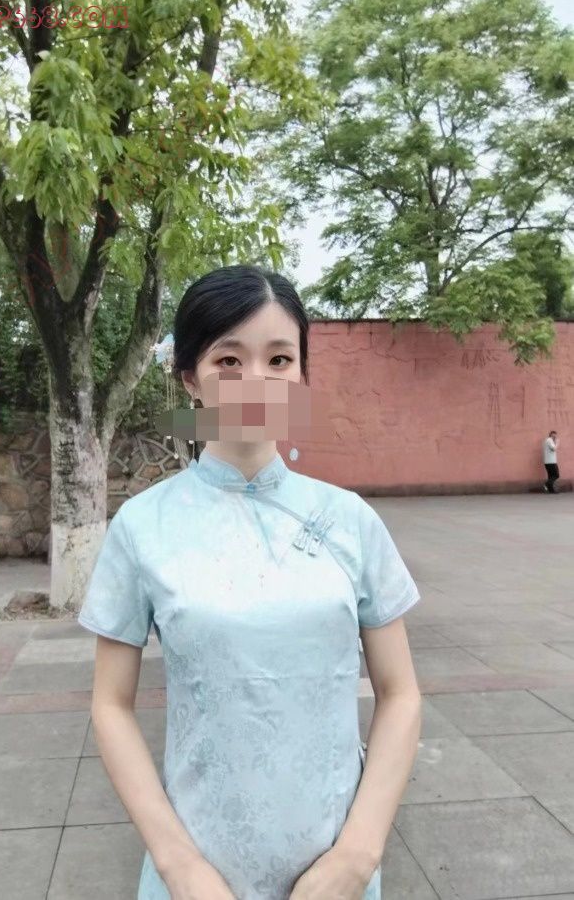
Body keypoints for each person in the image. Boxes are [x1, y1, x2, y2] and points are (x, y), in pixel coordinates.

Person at [78, 264, 422, 900]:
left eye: (279, 359)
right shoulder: (143, 526)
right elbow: (110, 705)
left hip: (335, 875)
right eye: (229, 360)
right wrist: (180, 868)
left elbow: (400, 693)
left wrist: (359, 853)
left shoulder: (350, 521)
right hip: (197, 874)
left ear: (301, 375)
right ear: (190, 377)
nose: (257, 381)